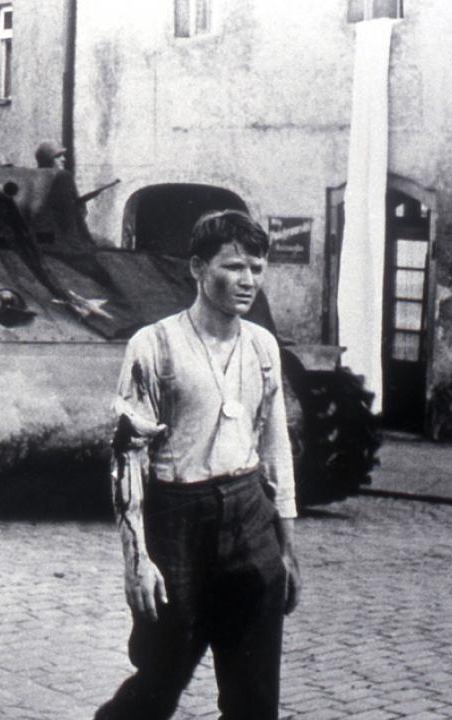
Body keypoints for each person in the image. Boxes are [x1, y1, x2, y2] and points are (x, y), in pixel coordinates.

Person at [95, 210, 300, 720]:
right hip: (177, 517)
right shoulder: (155, 345)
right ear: (196, 268)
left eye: (256, 266)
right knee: (162, 671)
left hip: (250, 516)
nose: (247, 280)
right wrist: (137, 560)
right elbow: (126, 460)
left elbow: (277, 450)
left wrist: (287, 548)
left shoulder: (263, 347)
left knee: (255, 691)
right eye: (233, 266)